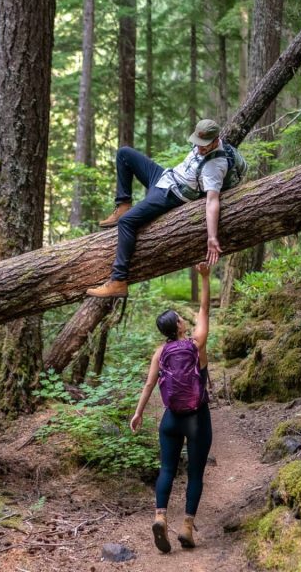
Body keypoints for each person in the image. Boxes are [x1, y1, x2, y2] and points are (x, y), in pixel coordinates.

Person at [87, 119, 227, 298]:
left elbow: (212, 201)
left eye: (204, 146)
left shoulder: (215, 166)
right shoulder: (204, 143)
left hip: (170, 194)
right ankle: (123, 204)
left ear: (216, 140)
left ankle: (118, 281)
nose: (199, 148)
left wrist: (212, 237)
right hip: (163, 177)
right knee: (124, 154)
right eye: (197, 144)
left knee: (126, 222)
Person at [129, 262, 214, 553]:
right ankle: (187, 527)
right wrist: (204, 278)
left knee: (166, 468)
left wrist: (138, 413)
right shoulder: (196, 345)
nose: (184, 318)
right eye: (180, 317)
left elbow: (149, 386)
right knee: (195, 473)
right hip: (197, 418)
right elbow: (204, 310)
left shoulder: (160, 352)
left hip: (170, 419)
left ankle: (160, 517)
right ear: (179, 325)